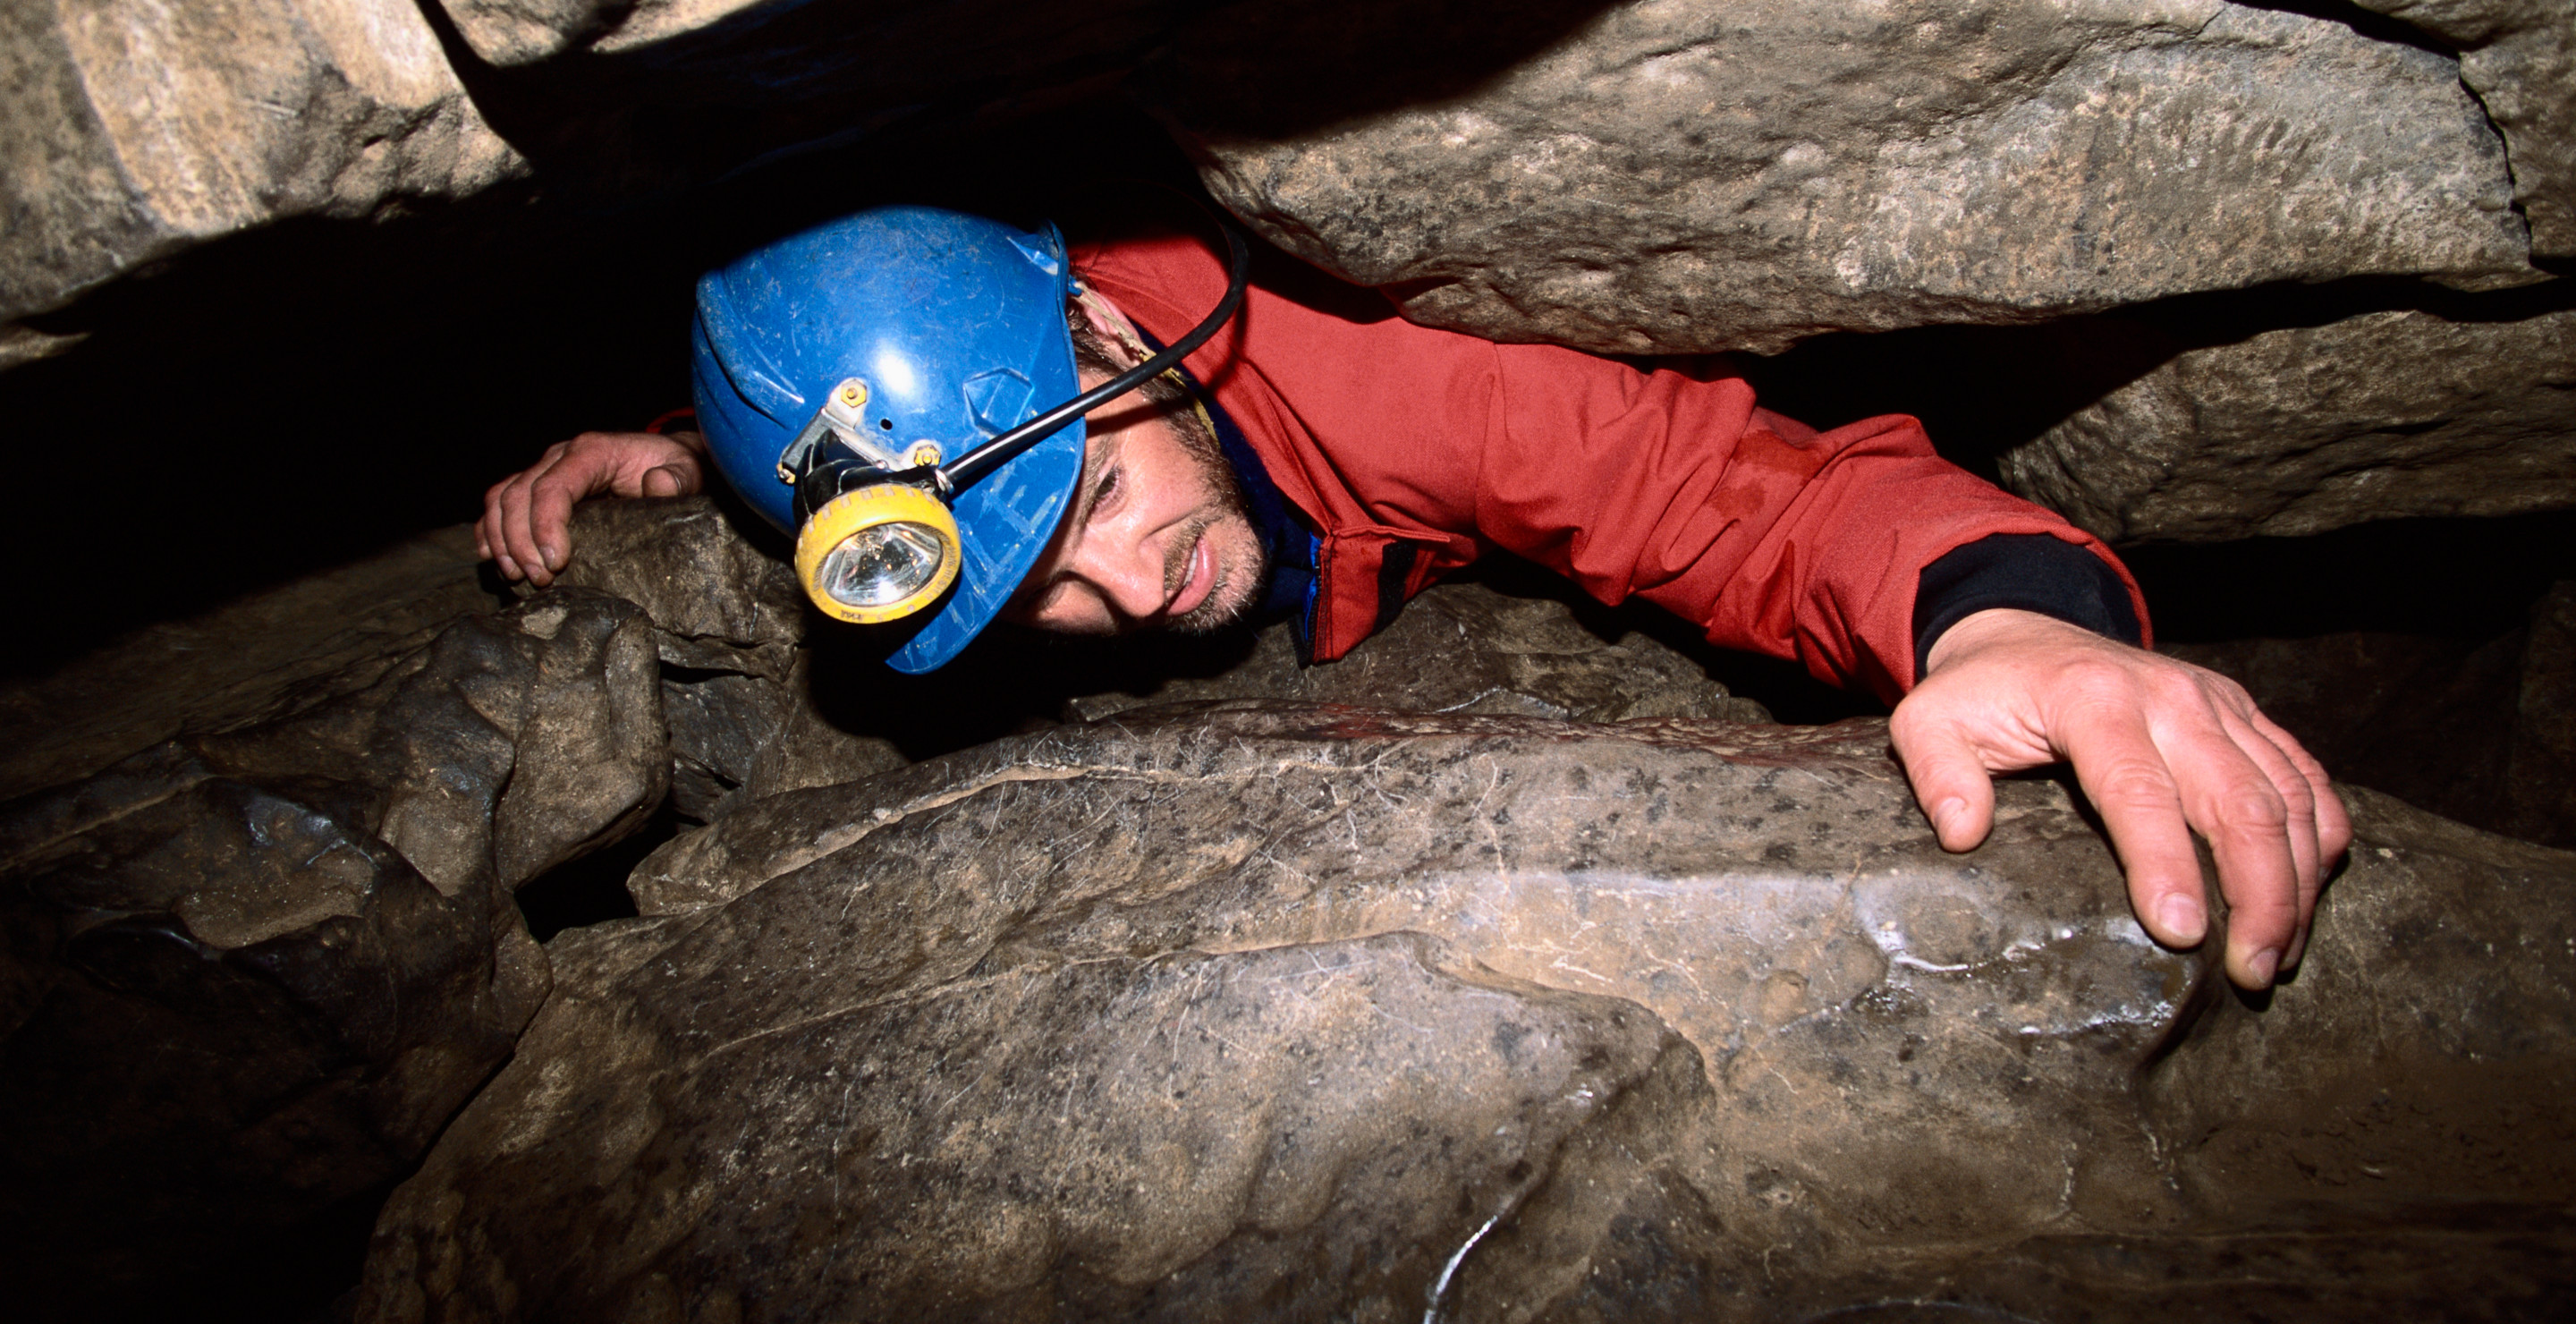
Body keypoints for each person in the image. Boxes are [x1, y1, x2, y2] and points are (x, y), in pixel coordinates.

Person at [479, 204, 2347, 991]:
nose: (1128, 591)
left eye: (1105, 489)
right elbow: (867, 416)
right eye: (1032, 587)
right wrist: (674, 454)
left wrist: (2008, 617)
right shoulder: (966, 400)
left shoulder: (1387, 374)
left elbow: (1726, 496)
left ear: (1116, 328)